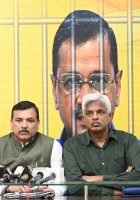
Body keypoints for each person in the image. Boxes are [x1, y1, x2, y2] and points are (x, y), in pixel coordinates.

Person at [51, 10, 122, 146]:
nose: (85, 98)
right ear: (55, 91)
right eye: (71, 81)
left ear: (117, 88)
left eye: (99, 80)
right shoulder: (40, 164)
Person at [0, 101, 65, 197]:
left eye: (30, 120)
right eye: (19, 120)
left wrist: (51, 191)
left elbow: (60, 183)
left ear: (38, 124)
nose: (24, 125)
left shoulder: (53, 146)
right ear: (11, 123)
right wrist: (8, 188)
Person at [63, 92, 140, 196]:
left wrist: (99, 179)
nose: (95, 117)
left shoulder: (128, 140)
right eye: (89, 113)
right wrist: (113, 192)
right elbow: (75, 186)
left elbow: (138, 176)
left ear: (110, 116)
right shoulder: (71, 145)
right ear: (84, 119)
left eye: (100, 112)